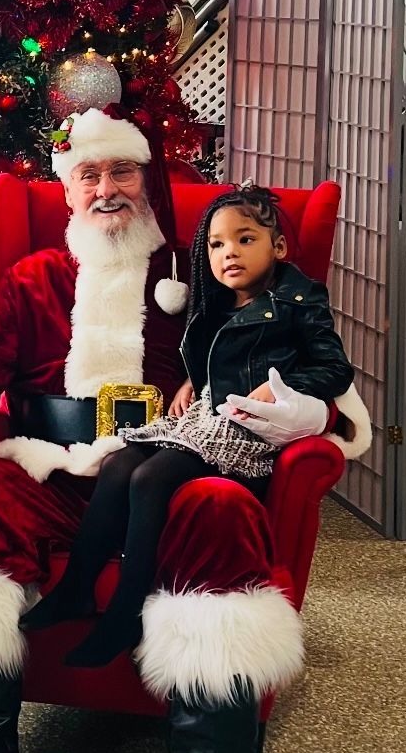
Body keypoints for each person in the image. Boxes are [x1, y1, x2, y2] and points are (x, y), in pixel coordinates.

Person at [0, 110, 371, 753]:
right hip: (56, 469)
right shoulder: (37, 277)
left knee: (219, 508)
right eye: (90, 176)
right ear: (67, 189)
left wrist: (302, 410)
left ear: (150, 181)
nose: (107, 191)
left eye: (123, 173)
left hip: (175, 470)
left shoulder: (207, 272)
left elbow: (290, 354)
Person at [21, 183, 354, 668]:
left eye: (245, 239)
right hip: (206, 416)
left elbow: (334, 369)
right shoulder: (219, 303)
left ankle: (126, 612)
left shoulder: (299, 300)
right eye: (217, 245)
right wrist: (190, 383)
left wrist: (279, 385)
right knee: (119, 463)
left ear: (277, 246)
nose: (229, 254)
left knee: (150, 477)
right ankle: (76, 587)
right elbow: (215, 362)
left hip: (250, 428)